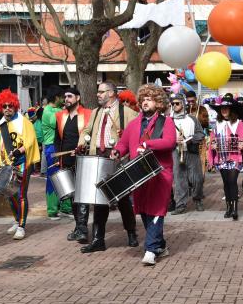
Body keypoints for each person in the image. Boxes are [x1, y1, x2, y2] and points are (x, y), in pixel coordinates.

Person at [111, 84, 176, 265]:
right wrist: (117, 151)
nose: (145, 102)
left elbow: (169, 142)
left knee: (156, 210)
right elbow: (123, 144)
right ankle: (160, 245)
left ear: (158, 102)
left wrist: (149, 144)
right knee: (145, 212)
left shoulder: (166, 122)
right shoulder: (133, 124)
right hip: (138, 174)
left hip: (160, 174)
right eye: (143, 99)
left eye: (150, 99)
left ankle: (150, 250)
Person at [77, 82, 138, 253]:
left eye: (101, 92)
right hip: (98, 157)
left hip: (118, 158)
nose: (98, 94)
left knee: (123, 198)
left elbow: (134, 137)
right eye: (98, 92)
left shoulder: (128, 113)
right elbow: (86, 131)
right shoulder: (96, 112)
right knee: (99, 200)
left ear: (111, 93)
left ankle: (131, 232)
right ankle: (98, 239)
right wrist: (83, 142)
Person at [0, 89, 40, 240]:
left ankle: (21, 226)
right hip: (6, 165)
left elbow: (30, 141)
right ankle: (17, 220)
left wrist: (19, 151)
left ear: (15, 106)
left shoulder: (24, 123)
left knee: (21, 195)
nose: (7, 108)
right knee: (9, 194)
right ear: (0, 108)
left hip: (22, 164)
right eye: (4, 106)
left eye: (10, 105)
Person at [208, 93, 243, 220]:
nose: (224, 110)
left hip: (235, 158)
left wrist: (242, 144)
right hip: (222, 158)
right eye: (222, 108)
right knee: (226, 182)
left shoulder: (238, 124)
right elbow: (213, 140)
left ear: (231, 109)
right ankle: (228, 207)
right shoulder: (216, 125)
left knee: (232, 181)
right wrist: (212, 145)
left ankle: (235, 209)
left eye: (226, 108)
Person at [54, 87, 91, 242]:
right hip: (66, 160)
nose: (66, 99)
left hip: (83, 159)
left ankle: (82, 229)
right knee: (72, 195)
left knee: (82, 195)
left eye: (69, 96)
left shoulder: (88, 114)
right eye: (65, 96)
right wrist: (58, 157)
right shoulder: (61, 116)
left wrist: (83, 149)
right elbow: (58, 138)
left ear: (78, 97)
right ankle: (78, 227)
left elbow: (91, 137)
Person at [170, 93, 205, 215]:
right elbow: (163, 137)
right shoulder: (169, 121)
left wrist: (191, 139)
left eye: (177, 103)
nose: (174, 105)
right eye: (173, 103)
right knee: (180, 179)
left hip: (191, 151)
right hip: (175, 152)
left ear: (183, 104)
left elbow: (201, 134)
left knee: (197, 178)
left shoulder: (192, 119)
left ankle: (198, 199)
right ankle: (180, 204)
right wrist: (174, 140)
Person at [42, 85, 71, 219]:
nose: (65, 99)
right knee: (53, 178)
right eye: (63, 97)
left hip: (61, 147)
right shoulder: (47, 112)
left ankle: (66, 207)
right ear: (56, 97)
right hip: (51, 148)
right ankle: (52, 210)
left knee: (64, 175)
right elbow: (61, 123)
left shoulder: (59, 109)